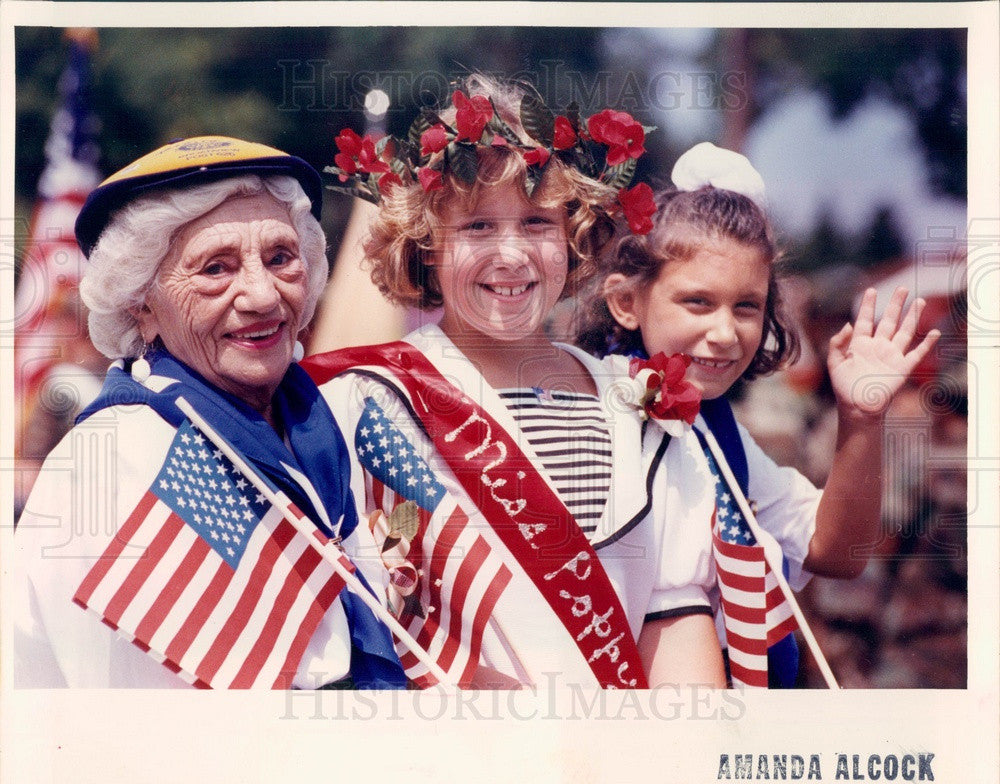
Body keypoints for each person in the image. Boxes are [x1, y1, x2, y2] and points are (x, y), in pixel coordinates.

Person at [304, 76, 726, 690]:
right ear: (426, 244)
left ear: (574, 234)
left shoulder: (639, 405)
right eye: (476, 227)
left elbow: (674, 623)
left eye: (536, 222)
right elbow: (359, 624)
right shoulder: (365, 400)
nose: (511, 254)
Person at [12, 136, 406, 690]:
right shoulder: (112, 460)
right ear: (141, 306)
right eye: (216, 269)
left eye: (280, 258)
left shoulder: (342, 421)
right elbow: (134, 721)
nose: (262, 295)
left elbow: (403, 566)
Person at [577, 142, 941, 686]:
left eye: (746, 306)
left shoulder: (718, 435)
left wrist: (861, 419)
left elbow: (837, 551)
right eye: (697, 302)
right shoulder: (586, 410)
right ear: (627, 302)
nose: (725, 333)